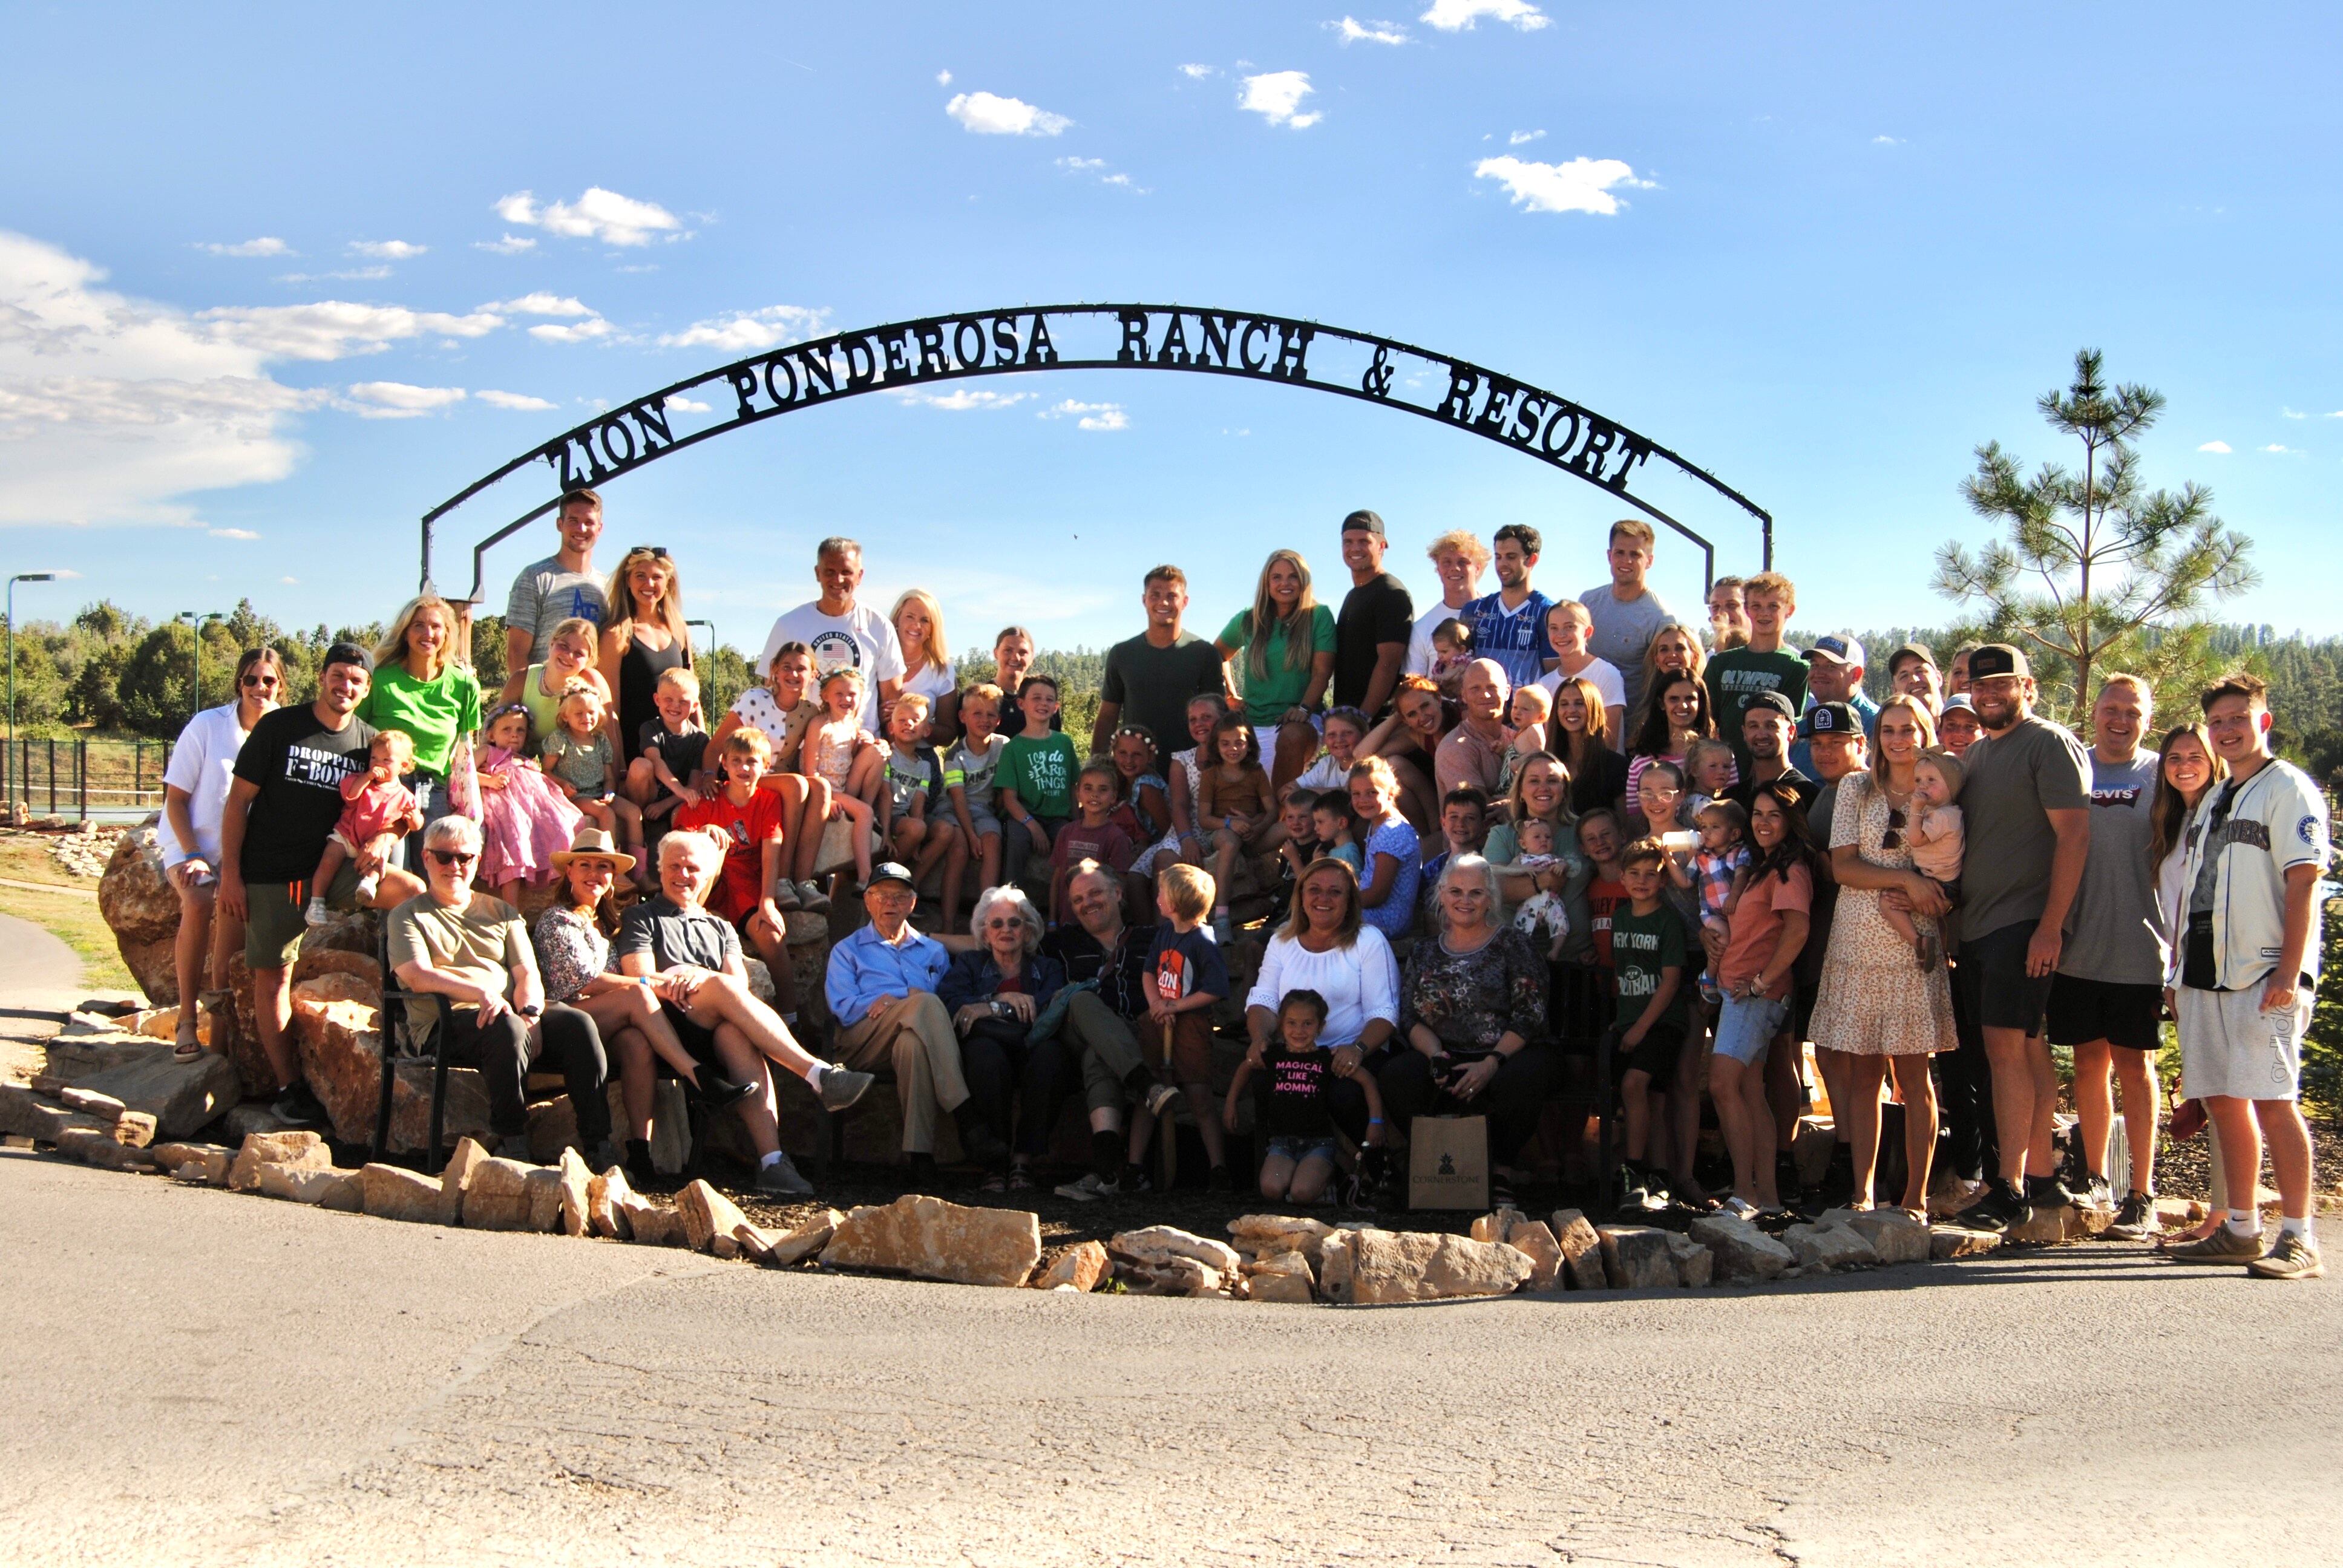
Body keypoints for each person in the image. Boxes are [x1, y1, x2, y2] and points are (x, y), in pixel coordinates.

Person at [218, 642, 425, 1127]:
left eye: (356, 681)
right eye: (338, 676)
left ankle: (415, 1017)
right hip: (274, 873)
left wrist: (389, 835)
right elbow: (237, 803)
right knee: (274, 977)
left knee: (414, 893)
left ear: (367, 688)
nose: (345, 687)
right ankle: (290, 1087)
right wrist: (231, 873)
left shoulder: (373, 744)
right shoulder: (280, 727)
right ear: (322, 677)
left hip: (339, 866)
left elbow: (399, 805)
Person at [2163, 673, 2328, 1279]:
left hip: (2263, 971)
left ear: (2263, 719)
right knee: (2223, 1101)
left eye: (2238, 718)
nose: (2226, 730)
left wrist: (2289, 970)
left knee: (2272, 1100)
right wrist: (2177, 973)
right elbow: (2192, 888)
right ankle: (2239, 1227)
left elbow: (2303, 879)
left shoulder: (2287, 789)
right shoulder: (2213, 798)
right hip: (2205, 973)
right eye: (2216, 722)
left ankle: (2298, 1235)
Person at [619, 832, 873, 1195]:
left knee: (735, 1033)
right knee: (721, 988)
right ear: (660, 871)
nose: (683, 874)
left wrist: (705, 977)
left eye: (692, 867)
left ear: (707, 875)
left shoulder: (721, 927)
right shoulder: (641, 917)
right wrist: (688, 977)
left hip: (713, 1027)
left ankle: (772, 1162)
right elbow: (638, 975)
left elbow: (738, 983)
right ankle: (816, 1074)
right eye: (674, 866)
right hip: (665, 1023)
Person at [1940, 645, 2093, 1234]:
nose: (1988, 695)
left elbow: (2074, 837)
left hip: (2023, 924)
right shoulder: (1974, 755)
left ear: (2026, 687)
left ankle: (2004, 1188)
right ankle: (2034, 1176)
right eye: (1979, 687)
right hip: (1977, 927)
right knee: (2021, 1051)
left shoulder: (2047, 744)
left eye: (2001, 685)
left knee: (2005, 1052)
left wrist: (2050, 926)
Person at [531, 827, 752, 1185]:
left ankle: (640, 1152)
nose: (594, 874)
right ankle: (699, 1077)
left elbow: (692, 897)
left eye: (603, 867)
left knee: (638, 1043)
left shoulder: (609, 924)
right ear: (568, 872)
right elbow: (587, 982)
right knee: (639, 996)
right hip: (567, 1020)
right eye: (584, 865)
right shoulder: (559, 920)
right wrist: (656, 986)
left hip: (607, 1022)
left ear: (613, 876)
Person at [388, 814, 613, 1166]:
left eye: (464, 858)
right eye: (445, 857)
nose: (455, 866)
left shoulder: (502, 912)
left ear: (477, 861)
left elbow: (527, 974)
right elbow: (417, 976)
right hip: (445, 1022)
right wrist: (480, 993)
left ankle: (599, 1146)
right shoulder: (408, 915)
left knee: (578, 1024)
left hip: (508, 1012)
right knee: (505, 1028)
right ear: (426, 858)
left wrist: (531, 1013)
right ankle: (513, 1140)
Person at [1810, 696, 1955, 1212]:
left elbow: (1954, 860)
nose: (1899, 739)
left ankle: (1915, 1196)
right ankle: (1863, 1194)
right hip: (1857, 940)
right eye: (1889, 729)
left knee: (1914, 1078)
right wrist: (1903, 880)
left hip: (1912, 942)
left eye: (1909, 729)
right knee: (1864, 1075)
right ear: (1877, 736)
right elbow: (1844, 867)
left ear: (1924, 730)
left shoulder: (1941, 785)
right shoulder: (1856, 787)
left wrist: (1926, 893)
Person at [2044, 675, 2167, 1234]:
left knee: (2135, 1067)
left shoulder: (2164, 773)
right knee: (2089, 1062)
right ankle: (2097, 1177)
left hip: (2141, 948)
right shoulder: (2073, 765)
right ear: (2094, 710)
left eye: (2132, 711)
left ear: (2148, 716)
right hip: (2075, 946)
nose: (2120, 720)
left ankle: (2141, 1192)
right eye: (2111, 709)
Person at [1386, 853, 1553, 1208]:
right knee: (1397, 1075)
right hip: (1446, 1055)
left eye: (1476, 893)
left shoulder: (1513, 944)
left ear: (1490, 898)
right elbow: (1410, 1017)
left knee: (1525, 1077)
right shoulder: (1425, 952)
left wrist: (1490, 1063)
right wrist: (1435, 1057)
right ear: (1442, 895)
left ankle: (1501, 1173)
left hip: (1506, 1054)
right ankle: (1438, 1167)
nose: (1465, 901)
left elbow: (1530, 1014)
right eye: (1457, 891)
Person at [825, 861, 1009, 1174]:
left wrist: (898, 999)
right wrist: (901, 1000)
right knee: (923, 1003)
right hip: (862, 1039)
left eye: (898, 897)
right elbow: (843, 1007)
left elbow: (946, 1004)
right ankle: (966, 1117)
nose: (889, 904)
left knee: (912, 1044)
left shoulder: (933, 951)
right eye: (881, 896)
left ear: (912, 903)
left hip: (914, 1037)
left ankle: (919, 1158)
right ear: (868, 901)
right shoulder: (847, 950)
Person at [158, 646, 284, 1058]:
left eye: (268, 680)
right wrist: (193, 852)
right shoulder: (206, 726)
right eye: (251, 679)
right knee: (197, 900)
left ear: (280, 685)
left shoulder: (285, 732)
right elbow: (176, 799)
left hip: (242, 856)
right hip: (192, 842)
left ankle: (221, 1028)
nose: (259, 687)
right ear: (239, 683)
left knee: (232, 917)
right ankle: (186, 1021)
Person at [1705, 783, 1814, 1217]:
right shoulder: (1763, 868)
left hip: (1757, 995)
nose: (1763, 822)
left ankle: (1743, 1192)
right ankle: (1766, 1198)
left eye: (1774, 814)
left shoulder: (1791, 870)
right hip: (1738, 989)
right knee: (1750, 1089)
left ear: (1790, 821)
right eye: (1757, 813)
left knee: (1721, 1083)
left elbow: (1797, 930)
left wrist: (1761, 982)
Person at [1243, 860, 1398, 1161]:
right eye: (1314, 890)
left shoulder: (1369, 941)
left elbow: (1384, 1013)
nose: (1323, 899)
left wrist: (1357, 1049)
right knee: (1263, 1081)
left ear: (1350, 900)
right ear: (1301, 896)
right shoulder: (1281, 941)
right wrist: (1260, 1038)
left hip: (1352, 1054)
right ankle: (1281, 1166)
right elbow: (1263, 1000)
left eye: (1335, 892)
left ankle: (1366, 1169)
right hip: (1298, 1053)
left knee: (1342, 1094)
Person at [1050, 861, 1186, 1203]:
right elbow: (996, 941)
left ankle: (1105, 1171)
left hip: (1133, 1035)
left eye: (1095, 893)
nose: (1087, 903)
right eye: (1078, 899)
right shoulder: (1060, 942)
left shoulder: (1152, 939)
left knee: (1102, 1054)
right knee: (1080, 1000)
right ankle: (1148, 1087)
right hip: (1076, 1034)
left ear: (1119, 893)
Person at [2142, 722, 2225, 1247]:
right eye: (2174, 756)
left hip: (2221, 975)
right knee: (2214, 1095)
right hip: (2184, 974)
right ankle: (2225, 1215)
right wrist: (2172, 975)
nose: (2184, 765)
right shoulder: (2175, 821)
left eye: (2196, 755)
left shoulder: (2223, 816)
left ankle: (2227, 1218)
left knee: (2227, 1100)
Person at [935, 885, 1069, 1189]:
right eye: (997, 923)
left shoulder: (1047, 968)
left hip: (1033, 1047)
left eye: (1014, 923)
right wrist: (1003, 998)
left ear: (1028, 930)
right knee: (983, 1055)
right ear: (985, 932)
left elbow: (1049, 1009)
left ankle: (1023, 1158)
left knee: (1051, 1057)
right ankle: (993, 1162)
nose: (1005, 929)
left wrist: (991, 1008)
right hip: (992, 1048)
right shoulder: (970, 964)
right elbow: (951, 1001)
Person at [672, 727, 801, 1018]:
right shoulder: (709, 799)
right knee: (706, 844)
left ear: (766, 766)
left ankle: (791, 1017)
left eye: (752, 761)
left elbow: (772, 848)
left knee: (770, 934)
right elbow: (677, 845)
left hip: (747, 884)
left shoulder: (768, 800)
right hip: (709, 884)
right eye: (737, 761)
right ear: (724, 763)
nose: (744, 768)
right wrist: (705, 831)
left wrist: (768, 901)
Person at [713, 640, 834, 913]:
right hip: (747, 776)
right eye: (787, 668)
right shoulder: (755, 699)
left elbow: (839, 728)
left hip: (782, 778)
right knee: (796, 784)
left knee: (822, 788)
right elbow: (716, 745)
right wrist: (708, 776)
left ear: (812, 675)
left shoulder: (810, 712)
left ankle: (803, 881)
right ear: (775, 671)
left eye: (801, 669)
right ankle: (782, 878)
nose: (793, 675)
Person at [1229, 988, 1381, 1203]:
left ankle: (1331, 1178)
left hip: (1318, 1143)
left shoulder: (1326, 1058)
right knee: (1271, 1189)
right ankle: (1300, 1177)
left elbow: (1367, 1080)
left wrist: (1375, 1121)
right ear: (1281, 1025)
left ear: (1321, 1026)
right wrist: (1230, 1103)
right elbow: (1246, 1068)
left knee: (1302, 1193)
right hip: (1282, 1143)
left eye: (1308, 1024)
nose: (1299, 1031)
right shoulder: (1273, 1055)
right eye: (1292, 1023)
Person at [359, 593, 483, 849]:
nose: (428, 633)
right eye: (419, 625)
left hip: (435, 792)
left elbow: (466, 749)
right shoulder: (380, 680)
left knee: (434, 870)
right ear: (405, 633)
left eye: (436, 626)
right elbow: (355, 733)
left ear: (447, 634)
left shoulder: (464, 685)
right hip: (385, 789)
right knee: (393, 871)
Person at [1137, 863, 1234, 1184]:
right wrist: (1156, 1004)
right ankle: (1135, 1166)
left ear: (1175, 903)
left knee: (1199, 1097)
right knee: (1149, 1092)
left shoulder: (1203, 941)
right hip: (1159, 1022)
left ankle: (1219, 1168)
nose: (1157, 898)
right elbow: (1150, 971)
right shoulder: (1164, 932)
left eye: (1162, 893)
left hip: (1190, 1027)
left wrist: (1176, 1006)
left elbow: (1216, 989)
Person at [1610, 837, 1691, 1209]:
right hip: (1629, 1021)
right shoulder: (1621, 917)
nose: (1642, 881)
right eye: (1634, 874)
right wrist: (1625, 1022)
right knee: (1653, 1100)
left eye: (1651, 875)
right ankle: (1660, 1175)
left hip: (1662, 1022)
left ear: (1663, 881)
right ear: (1622, 878)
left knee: (1634, 1085)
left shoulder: (1667, 921)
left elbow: (1671, 980)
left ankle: (1633, 1169)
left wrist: (1642, 1026)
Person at [1215, 549, 1336, 793]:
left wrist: (1304, 708)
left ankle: (1279, 824)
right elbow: (1216, 655)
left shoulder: (1318, 616)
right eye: (1277, 577)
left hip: (1298, 719)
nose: (1285, 584)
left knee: (1291, 740)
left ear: (1304, 581)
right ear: (1266, 583)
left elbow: (1322, 672)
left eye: (1293, 576)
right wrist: (1230, 692)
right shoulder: (1248, 620)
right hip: (1252, 720)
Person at [755, 537, 905, 731]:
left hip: (860, 748)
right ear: (818, 573)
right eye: (830, 572)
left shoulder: (879, 626)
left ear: (860, 576)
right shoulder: (788, 625)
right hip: (798, 748)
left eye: (847, 572)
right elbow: (770, 693)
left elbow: (891, 706)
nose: (838, 579)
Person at [1093, 565, 1228, 774]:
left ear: (1185, 602)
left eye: (1171, 596)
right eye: (1155, 595)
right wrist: (1098, 766)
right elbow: (1108, 716)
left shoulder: (1204, 653)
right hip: (1135, 770)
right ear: (1144, 600)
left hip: (1192, 772)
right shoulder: (1122, 654)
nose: (1163, 602)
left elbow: (1219, 718)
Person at [499, 489, 609, 707]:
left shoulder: (606, 587)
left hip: (587, 711)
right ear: (560, 524)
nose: (581, 529)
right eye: (573, 521)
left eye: (589, 522)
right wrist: (526, 707)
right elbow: (516, 653)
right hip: (543, 704)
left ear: (600, 528)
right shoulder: (535, 577)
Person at [304, 730, 423, 926]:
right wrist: (367, 777)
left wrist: (413, 819)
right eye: (374, 758)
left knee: (378, 863)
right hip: (347, 835)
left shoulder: (404, 795)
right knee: (329, 860)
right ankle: (316, 902)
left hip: (370, 845)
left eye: (386, 760)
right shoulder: (362, 781)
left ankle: (368, 885)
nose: (377, 764)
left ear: (403, 766)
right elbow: (350, 796)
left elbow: (416, 824)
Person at [594, 545, 694, 766]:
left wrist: (704, 754)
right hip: (637, 755)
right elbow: (610, 709)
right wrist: (617, 763)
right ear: (628, 581)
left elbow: (693, 697)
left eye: (657, 577)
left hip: (678, 751)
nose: (649, 584)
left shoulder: (679, 630)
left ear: (667, 583)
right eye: (640, 576)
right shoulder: (616, 635)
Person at [1703, 572, 1807, 770]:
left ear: (1790, 610)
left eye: (1773, 606)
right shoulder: (1721, 662)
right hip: (1723, 771)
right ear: (1747, 609)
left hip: (1769, 772)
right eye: (1757, 606)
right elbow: (1707, 721)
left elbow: (1790, 732)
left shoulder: (1797, 667)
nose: (1764, 613)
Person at [542, 681, 644, 871]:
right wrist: (563, 783)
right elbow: (545, 771)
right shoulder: (561, 739)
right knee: (606, 814)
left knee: (633, 813)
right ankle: (609, 866)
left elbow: (608, 777)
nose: (586, 718)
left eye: (591, 713)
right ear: (566, 716)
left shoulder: (601, 740)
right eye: (579, 713)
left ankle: (639, 871)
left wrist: (609, 792)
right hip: (575, 795)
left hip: (598, 792)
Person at [1579, 519, 1675, 720]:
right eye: (1620, 553)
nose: (1626, 561)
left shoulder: (1661, 617)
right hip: (1583, 721)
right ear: (1609, 556)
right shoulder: (1588, 602)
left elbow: (1667, 681)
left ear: (1649, 561)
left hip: (1632, 728)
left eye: (1635, 554)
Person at [1880, 749, 1965, 970]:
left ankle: (1919, 942)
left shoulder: (1944, 816)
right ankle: (1944, 954)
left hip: (1940, 884)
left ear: (1951, 786)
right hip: (1941, 880)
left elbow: (1916, 840)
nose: (1923, 786)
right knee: (1939, 921)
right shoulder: (1945, 812)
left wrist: (1915, 809)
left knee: (1888, 902)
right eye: (1918, 780)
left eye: (1931, 780)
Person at [1198, 713, 1279, 941]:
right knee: (1230, 841)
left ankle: (1288, 894)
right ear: (1216, 745)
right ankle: (1222, 916)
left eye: (1239, 743)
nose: (1233, 749)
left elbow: (1272, 810)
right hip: (1221, 834)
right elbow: (1204, 818)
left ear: (1249, 744)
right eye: (1225, 743)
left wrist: (1257, 826)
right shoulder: (1211, 774)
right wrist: (1230, 824)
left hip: (1253, 834)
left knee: (1288, 829)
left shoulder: (1256, 771)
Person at [999, 674, 1083, 890]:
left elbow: (1073, 788)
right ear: (1021, 703)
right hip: (1024, 818)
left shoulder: (1064, 742)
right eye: (1036, 698)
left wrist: (1078, 823)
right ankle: (1011, 899)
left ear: (1056, 707)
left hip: (1058, 818)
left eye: (1049, 699)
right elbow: (1010, 799)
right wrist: (1034, 827)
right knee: (1017, 839)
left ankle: (1070, 905)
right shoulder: (1012, 748)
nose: (1043, 703)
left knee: (1072, 844)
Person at [1331, 509, 1414, 717]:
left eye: (1364, 541)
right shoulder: (1353, 595)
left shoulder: (1392, 593)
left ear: (1382, 546)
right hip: (1349, 720)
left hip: (1375, 721)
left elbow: (1388, 663)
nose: (1354, 548)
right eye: (1347, 542)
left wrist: (1363, 718)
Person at [940, 680, 1011, 929]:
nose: (984, 720)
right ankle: (948, 922)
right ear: (963, 717)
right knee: (959, 848)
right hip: (953, 809)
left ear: (999, 720)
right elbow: (957, 798)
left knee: (992, 840)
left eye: (991, 714)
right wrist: (971, 835)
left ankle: (987, 917)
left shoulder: (1004, 747)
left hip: (984, 810)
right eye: (977, 713)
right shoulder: (955, 755)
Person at [877, 691, 958, 903]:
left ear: (926, 730)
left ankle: (911, 884)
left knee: (944, 830)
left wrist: (917, 841)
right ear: (891, 727)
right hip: (886, 818)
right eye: (902, 720)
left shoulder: (924, 766)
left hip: (907, 818)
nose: (908, 724)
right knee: (917, 828)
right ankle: (884, 879)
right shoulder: (887, 755)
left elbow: (919, 803)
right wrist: (886, 833)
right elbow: (885, 795)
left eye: (916, 720)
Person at [1461, 523, 1556, 694]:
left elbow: (1556, 677)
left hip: (1527, 715)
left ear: (1532, 559)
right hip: (1481, 712)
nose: (1502, 564)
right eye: (1499, 557)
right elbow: (1460, 665)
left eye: (1511, 557)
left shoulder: (1548, 613)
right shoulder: (1474, 611)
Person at [1357, 674, 1447, 834]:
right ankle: (1433, 827)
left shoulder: (1461, 719)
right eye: (1412, 714)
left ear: (1439, 700)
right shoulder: (1419, 735)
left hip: (1473, 800)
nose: (1422, 717)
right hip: (1442, 802)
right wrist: (1398, 715)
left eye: (1425, 706)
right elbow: (1362, 755)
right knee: (1392, 765)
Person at [1052, 761, 1138, 923]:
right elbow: (1057, 878)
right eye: (1088, 788)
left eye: (1103, 789)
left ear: (1113, 797)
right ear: (1078, 793)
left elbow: (1119, 885)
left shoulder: (1116, 837)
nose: (1094, 795)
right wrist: (1051, 919)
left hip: (1099, 922)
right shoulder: (1066, 832)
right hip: (1067, 920)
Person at [625, 666, 710, 831]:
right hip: (651, 792)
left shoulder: (700, 739)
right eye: (668, 699)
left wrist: (665, 805)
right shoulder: (649, 728)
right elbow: (655, 762)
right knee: (640, 765)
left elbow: (693, 786)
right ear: (657, 700)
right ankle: (639, 818)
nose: (675, 706)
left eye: (683, 701)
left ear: (694, 706)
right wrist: (680, 791)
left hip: (678, 799)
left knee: (688, 808)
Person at [1536, 599, 1628, 745]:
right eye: (1554, 628)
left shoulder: (1607, 674)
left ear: (1588, 631)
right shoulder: (1544, 684)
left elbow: (1610, 741)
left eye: (1569, 627)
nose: (1561, 634)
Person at [1788, 634, 1879, 776]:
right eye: (1814, 665)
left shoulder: (1879, 724)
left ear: (1856, 674)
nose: (1818, 673)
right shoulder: (1804, 727)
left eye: (1830, 666)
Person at [1405, 529, 1490, 678]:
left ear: (1478, 568)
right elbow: (1414, 686)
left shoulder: (1497, 616)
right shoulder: (1422, 629)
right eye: (1447, 562)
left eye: (1463, 562)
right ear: (1438, 568)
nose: (1454, 568)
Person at [1625, 671, 1717, 806]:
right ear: (1661, 704)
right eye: (1674, 699)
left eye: (1690, 698)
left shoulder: (1719, 757)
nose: (1683, 705)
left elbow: (1730, 808)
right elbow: (1634, 818)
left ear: (1701, 703)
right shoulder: (1641, 763)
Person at [515, 616, 611, 746]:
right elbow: (495, 729)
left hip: (575, 765)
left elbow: (611, 740)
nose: (569, 655)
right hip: (522, 763)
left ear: (589, 660)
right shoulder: (522, 678)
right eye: (564, 646)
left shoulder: (592, 683)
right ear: (552, 644)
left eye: (579, 654)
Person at [1547, 675, 1630, 818]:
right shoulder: (1546, 764)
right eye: (1564, 704)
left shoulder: (1616, 766)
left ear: (1594, 708)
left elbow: (1626, 825)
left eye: (1579, 703)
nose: (1571, 710)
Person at [1725, 690, 1814, 816]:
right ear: (1744, 733)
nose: (1761, 735)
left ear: (1792, 731)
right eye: (1753, 726)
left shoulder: (1807, 794)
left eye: (1771, 726)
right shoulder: (1731, 798)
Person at [890, 588, 959, 743]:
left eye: (925, 620)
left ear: (932, 628)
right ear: (897, 620)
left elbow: (949, 735)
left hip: (921, 760)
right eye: (910, 617)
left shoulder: (942, 670)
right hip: (878, 756)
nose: (917, 625)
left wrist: (916, 725)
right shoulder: (878, 660)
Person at [1435, 659, 1510, 800]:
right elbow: (1478, 810)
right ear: (1464, 695)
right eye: (1475, 689)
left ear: (1507, 692)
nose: (1485, 695)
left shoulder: (1516, 738)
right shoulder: (1455, 747)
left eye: (1492, 687)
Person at [1885, 642, 1944, 714]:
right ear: (1894, 690)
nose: (1914, 679)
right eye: (1904, 676)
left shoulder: (1961, 721)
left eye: (1920, 671)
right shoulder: (1883, 725)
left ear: (1939, 678)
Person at [1706, 576, 1750, 653]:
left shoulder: (1767, 654)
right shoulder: (1705, 660)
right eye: (1716, 607)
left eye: (1732, 605)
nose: (1723, 613)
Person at [1937, 693, 1983, 757]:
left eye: (1969, 726)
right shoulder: (1925, 766)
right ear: (1940, 732)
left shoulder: (1998, 766)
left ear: (1985, 732)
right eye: (1951, 725)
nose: (1959, 733)